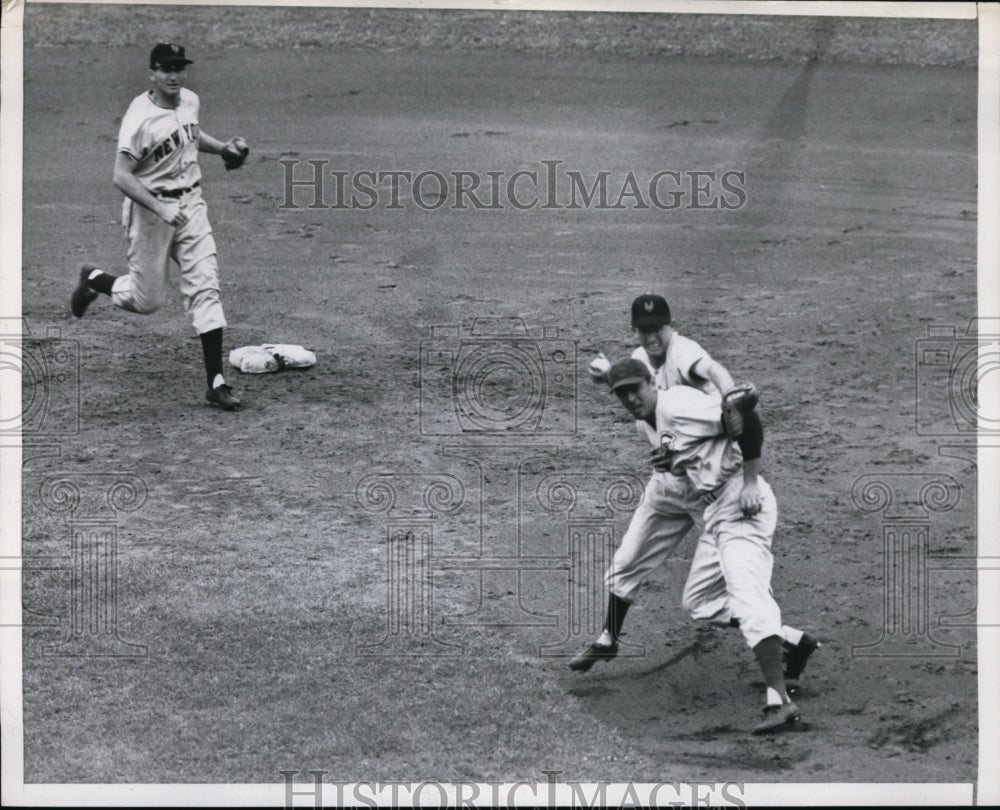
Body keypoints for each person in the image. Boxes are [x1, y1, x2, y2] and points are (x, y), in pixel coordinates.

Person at [570, 358, 819, 735]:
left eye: (635, 389)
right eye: (621, 394)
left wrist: (751, 481)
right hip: (715, 509)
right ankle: (793, 643)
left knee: (749, 598)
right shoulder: (649, 421)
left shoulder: (679, 404)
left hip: (741, 501)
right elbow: (695, 448)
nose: (630, 398)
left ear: (652, 383)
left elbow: (743, 418)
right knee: (699, 603)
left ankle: (780, 702)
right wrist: (672, 461)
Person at [70, 42, 249, 411]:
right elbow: (121, 176)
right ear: (152, 73)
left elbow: (190, 135)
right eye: (165, 69)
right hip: (150, 210)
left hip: (192, 205)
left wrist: (225, 150)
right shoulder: (140, 120)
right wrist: (161, 209)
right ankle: (95, 280)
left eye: (179, 68)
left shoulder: (189, 101)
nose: (173, 75)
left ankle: (215, 381)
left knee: (206, 285)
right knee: (145, 300)